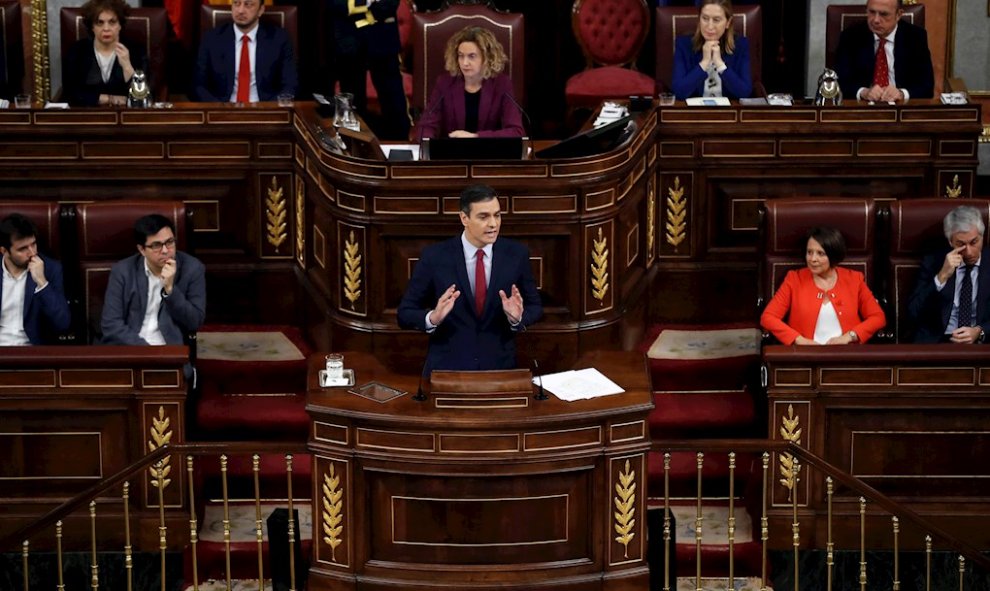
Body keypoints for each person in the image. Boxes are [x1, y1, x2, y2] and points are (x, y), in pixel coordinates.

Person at [397, 184, 542, 375]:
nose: (493, 224)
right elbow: (405, 313)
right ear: (464, 218)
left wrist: (517, 318)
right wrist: (433, 318)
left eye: (497, 215)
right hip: (447, 369)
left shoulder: (516, 255)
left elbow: (535, 307)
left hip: (499, 368)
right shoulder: (434, 257)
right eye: (484, 217)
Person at [761, 226, 885, 345]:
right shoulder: (794, 279)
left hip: (847, 353)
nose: (813, 259)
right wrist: (798, 339)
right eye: (809, 252)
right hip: (806, 356)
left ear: (833, 255)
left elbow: (878, 317)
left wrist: (849, 336)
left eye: (820, 253)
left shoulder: (854, 279)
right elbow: (768, 317)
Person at [101, 214, 206, 346]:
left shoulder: (192, 269)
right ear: (142, 249)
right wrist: (147, 352)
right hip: (130, 347)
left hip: (171, 351)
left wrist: (170, 290)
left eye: (170, 242)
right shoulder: (122, 271)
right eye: (156, 245)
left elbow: (194, 321)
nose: (165, 250)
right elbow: (111, 325)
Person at [416, 26, 525, 140]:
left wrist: (475, 137)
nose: (465, 63)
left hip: (487, 154)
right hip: (453, 154)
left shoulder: (501, 84)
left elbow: (516, 132)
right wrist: (428, 145)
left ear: (487, 58)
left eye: (472, 56)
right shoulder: (445, 83)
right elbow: (425, 127)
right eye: (461, 56)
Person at [907, 205, 990, 344]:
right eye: (961, 244)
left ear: (982, 236)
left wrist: (980, 331)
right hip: (939, 342)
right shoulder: (934, 261)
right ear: (950, 241)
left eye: (974, 242)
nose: (969, 252)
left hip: (981, 343)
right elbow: (913, 313)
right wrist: (941, 277)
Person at [330, 0, 410, 140]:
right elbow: (335, 4)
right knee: (352, 100)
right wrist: (366, 2)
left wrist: (367, 12)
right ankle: (353, 148)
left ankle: (399, 146)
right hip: (349, 40)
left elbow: (389, 4)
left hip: (383, 37)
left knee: (392, 97)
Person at [192, 0, 297, 103]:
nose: (240, 10)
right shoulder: (212, 38)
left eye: (248, 4)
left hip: (265, 110)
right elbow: (198, 85)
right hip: (223, 110)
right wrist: (220, 109)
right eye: (236, 3)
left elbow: (290, 84)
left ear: (261, 10)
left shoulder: (279, 39)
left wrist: (268, 110)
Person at [834, 0, 934, 102]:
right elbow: (838, 82)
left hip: (901, 108)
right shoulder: (851, 36)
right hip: (863, 108)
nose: (876, 20)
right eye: (872, 12)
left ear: (899, 15)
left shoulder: (915, 37)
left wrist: (901, 93)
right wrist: (863, 92)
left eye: (884, 14)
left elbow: (926, 86)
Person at [0, 213, 71, 345]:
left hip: (33, 352)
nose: (32, 253)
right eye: (22, 249)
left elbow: (62, 323)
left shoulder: (51, 269)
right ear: (4, 251)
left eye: (33, 244)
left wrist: (42, 283)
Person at [62, 0, 147, 107]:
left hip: (125, 116)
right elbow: (70, 93)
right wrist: (109, 98)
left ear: (120, 25)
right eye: (100, 23)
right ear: (92, 27)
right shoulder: (77, 51)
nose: (106, 28)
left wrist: (127, 67)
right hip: (88, 116)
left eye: (112, 22)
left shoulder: (137, 51)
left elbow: (143, 98)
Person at [671, 0, 752, 101]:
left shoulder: (740, 46)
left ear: (728, 22)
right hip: (694, 113)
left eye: (716, 20)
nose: (709, 26)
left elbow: (744, 93)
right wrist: (704, 63)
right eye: (705, 18)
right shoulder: (684, 45)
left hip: (729, 113)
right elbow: (679, 92)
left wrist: (720, 64)